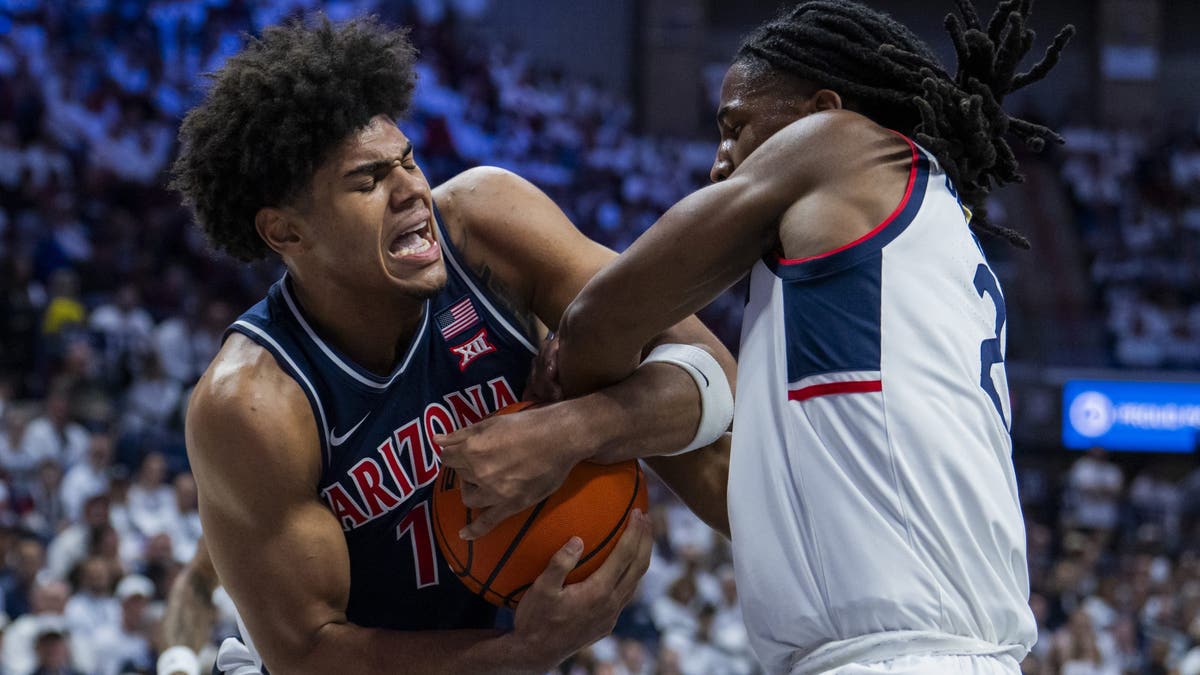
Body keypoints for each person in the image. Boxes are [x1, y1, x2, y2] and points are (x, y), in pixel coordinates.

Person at [170, 16, 735, 675]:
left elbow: (716, 380)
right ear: (286, 233)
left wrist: (576, 427)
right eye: (368, 180)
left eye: (407, 159)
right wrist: (524, 652)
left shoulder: (486, 224)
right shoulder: (252, 402)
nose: (411, 187)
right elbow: (308, 652)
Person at [556, 1, 1074, 673]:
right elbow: (741, 492)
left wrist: (572, 398)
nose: (720, 162)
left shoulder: (842, 146)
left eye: (733, 127)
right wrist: (598, 418)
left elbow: (598, 320)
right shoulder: (913, 245)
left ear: (821, 111)